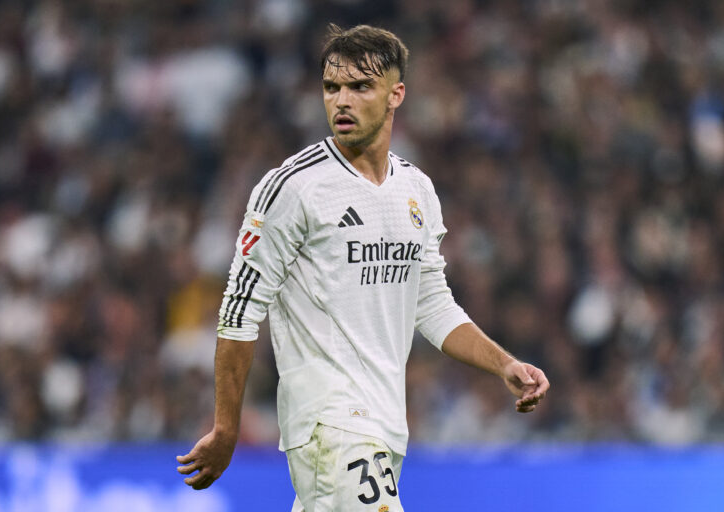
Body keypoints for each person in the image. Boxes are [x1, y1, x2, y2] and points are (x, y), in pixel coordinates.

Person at [177, 23, 550, 511]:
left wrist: (503, 363)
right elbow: (239, 310)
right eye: (332, 88)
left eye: (360, 86)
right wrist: (227, 427)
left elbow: (432, 304)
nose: (342, 101)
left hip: (386, 425)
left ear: (396, 94)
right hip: (329, 424)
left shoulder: (416, 190)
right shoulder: (293, 188)